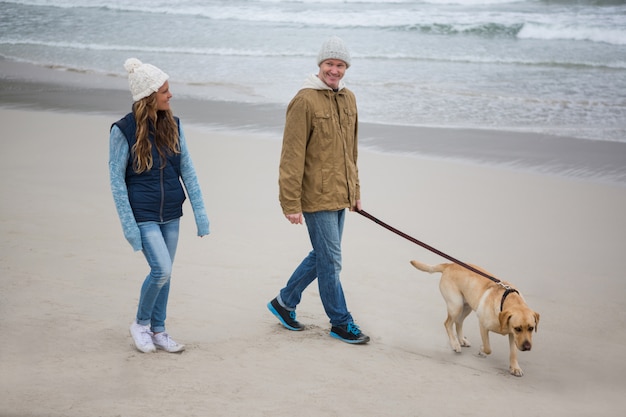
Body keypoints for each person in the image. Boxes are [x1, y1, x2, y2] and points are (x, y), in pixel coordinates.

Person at [267, 36, 370, 344]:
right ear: (320, 65)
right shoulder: (304, 100)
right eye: (329, 64)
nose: (334, 70)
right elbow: (291, 155)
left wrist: (355, 192)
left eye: (340, 65)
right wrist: (290, 203)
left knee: (324, 256)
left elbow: (351, 150)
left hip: (340, 193)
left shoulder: (348, 99)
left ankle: (284, 302)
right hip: (314, 196)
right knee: (331, 261)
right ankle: (340, 322)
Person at [109, 58, 210, 353]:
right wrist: (129, 227)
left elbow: (188, 170)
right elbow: (116, 181)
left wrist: (201, 215)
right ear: (150, 96)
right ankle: (140, 324)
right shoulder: (123, 130)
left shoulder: (173, 125)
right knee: (161, 270)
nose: (170, 95)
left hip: (171, 213)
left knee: (166, 275)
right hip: (143, 214)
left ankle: (159, 330)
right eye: (165, 91)